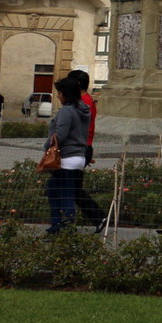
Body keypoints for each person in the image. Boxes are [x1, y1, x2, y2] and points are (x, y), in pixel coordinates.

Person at [43, 76, 89, 235]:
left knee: (64, 193)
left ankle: (66, 227)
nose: (57, 96)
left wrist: (47, 146)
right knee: (54, 189)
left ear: (65, 94)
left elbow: (60, 136)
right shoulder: (82, 109)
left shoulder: (66, 111)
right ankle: (58, 224)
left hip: (67, 158)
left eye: (59, 93)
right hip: (78, 157)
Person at [68, 69, 105, 230]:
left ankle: (98, 216)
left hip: (80, 147)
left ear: (76, 84)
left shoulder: (83, 102)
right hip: (83, 147)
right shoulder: (86, 100)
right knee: (71, 188)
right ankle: (97, 218)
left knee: (71, 188)